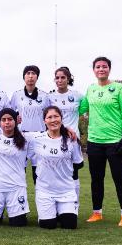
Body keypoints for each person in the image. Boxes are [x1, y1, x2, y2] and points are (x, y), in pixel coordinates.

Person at [80, 57, 122, 227]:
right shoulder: (91, 89)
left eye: (104, 66)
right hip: (94, 141)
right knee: (96, 179)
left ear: (109, 69)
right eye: (97, 67)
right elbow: (81, 109)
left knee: (119, 177)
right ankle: (97, 213)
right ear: (93, 70)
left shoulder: (119, 88)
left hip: (115, 142)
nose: (101, 69)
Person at [28, 106, 84, 229]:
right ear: (44, 121)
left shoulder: (71, 139)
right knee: (48, 225)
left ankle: (63, 210)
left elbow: (77, 164)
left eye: (56, 116)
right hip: (45, 191)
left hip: (66, 191)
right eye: (49, 117)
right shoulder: (36, 139)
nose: (53, 120)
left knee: (70, 225)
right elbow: (14, 131)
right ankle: (50, 213)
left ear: (61, 118)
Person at [0, 108, 29, 226]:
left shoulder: (26, 137)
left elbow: (47, 132)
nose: (7, 122)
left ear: (16, 121)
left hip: (16, 188)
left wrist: (67, 130)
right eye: (3, 120)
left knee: (18, 224)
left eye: (10, 119)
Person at [9, 65, 51, 184]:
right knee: (18, 170)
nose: (30, 76)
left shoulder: (44, 96)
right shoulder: (17, 95)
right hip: (21, 135)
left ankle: (41, 200)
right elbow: (10, 112)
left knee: (38, 172)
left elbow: (49, 115)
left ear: (37, 77)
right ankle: (18, 200)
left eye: (33, 73)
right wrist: (15, 117)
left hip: (39, 136)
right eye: (28, 73)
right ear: (24, 77)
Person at [48, 67, 84, 200]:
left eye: (63, 77)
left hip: (73, 139)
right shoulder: (50, 97)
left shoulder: (78, 96)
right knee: (57, 172)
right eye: (57, 77)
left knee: (73, 173)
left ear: (68, 79)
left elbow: (85, 109)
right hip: (55, 139)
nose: (60, 80)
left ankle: (74, 204)